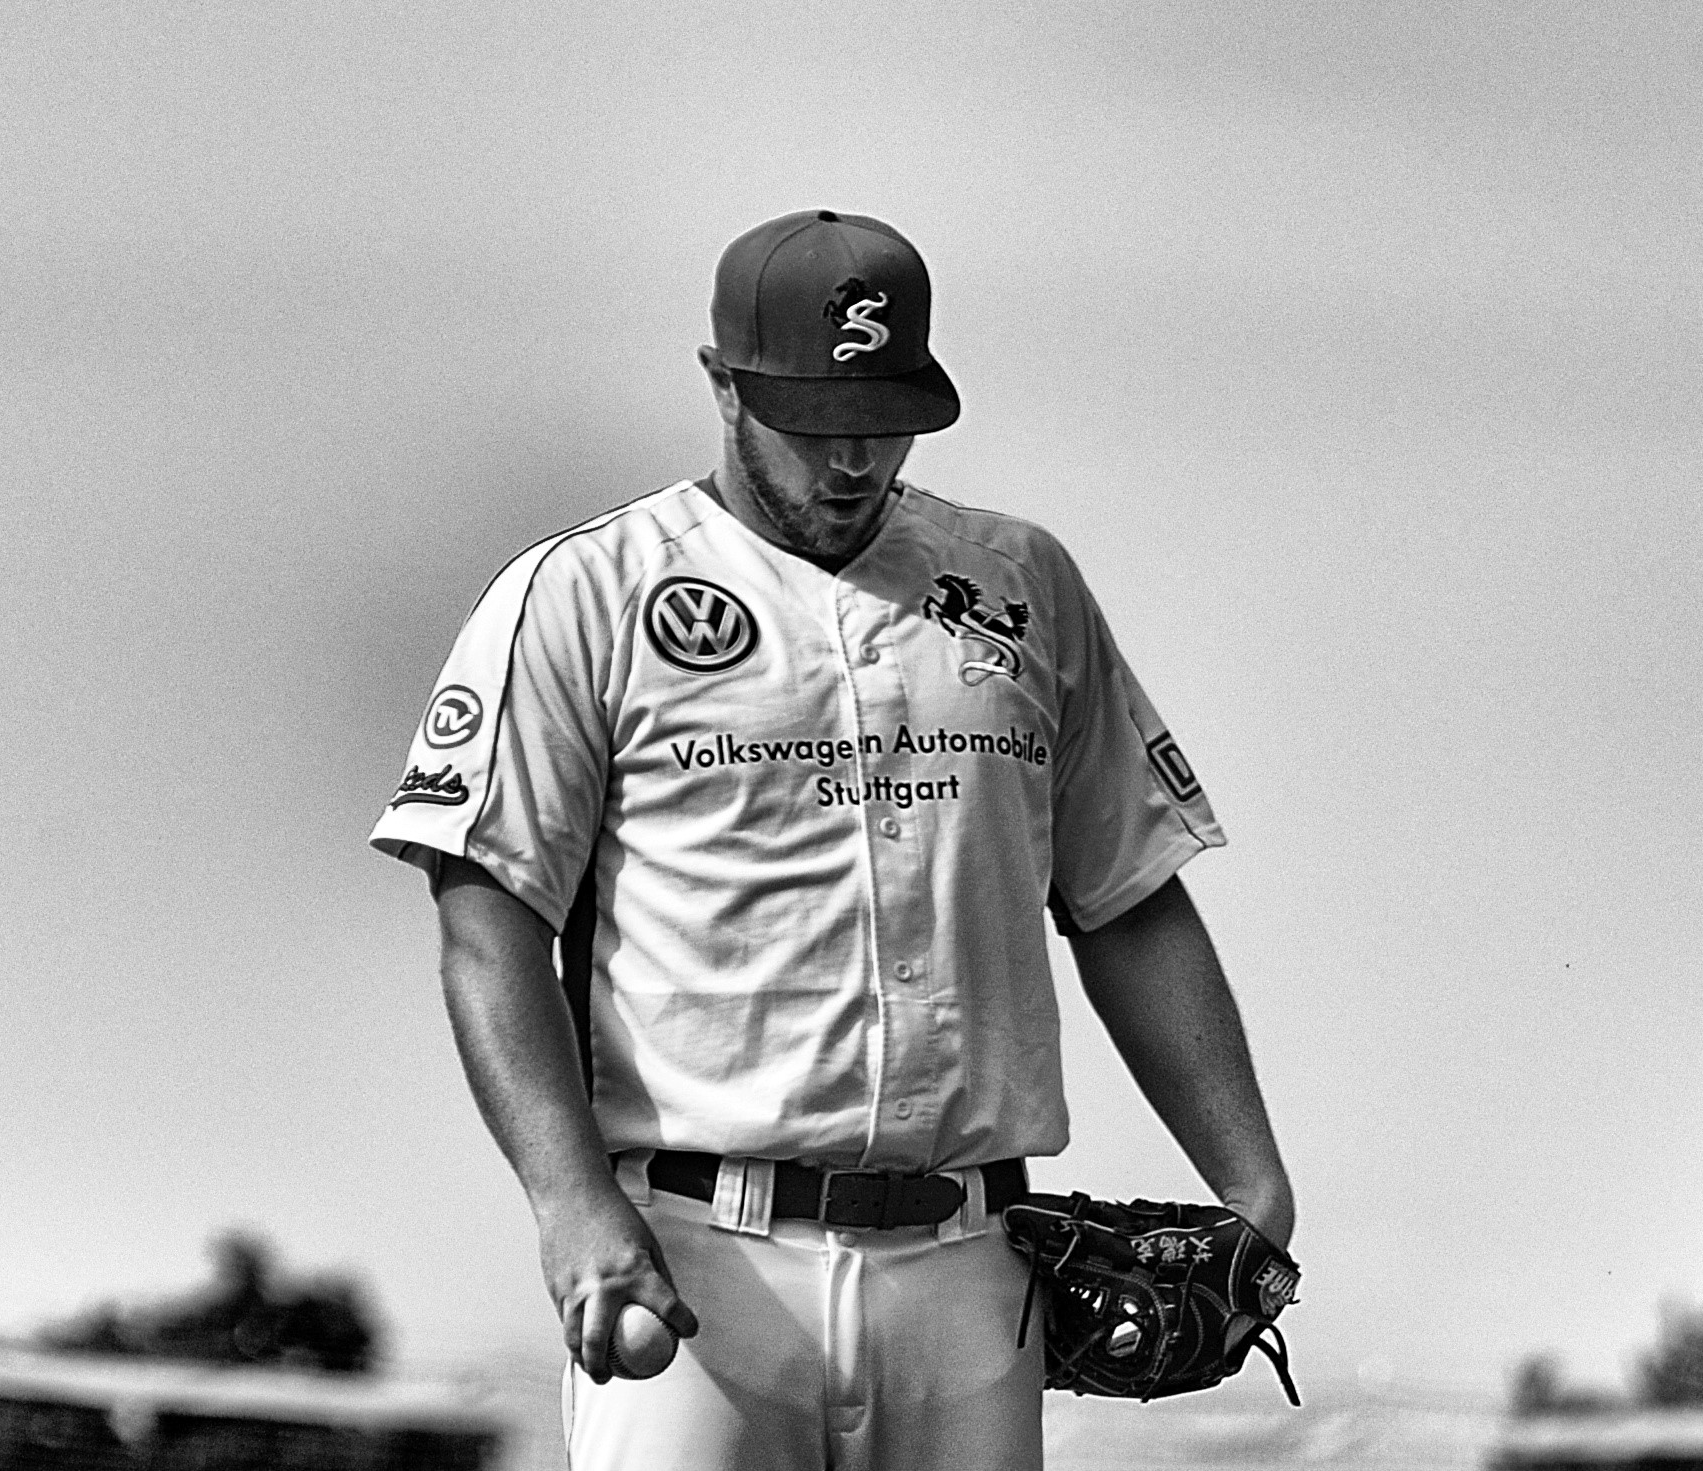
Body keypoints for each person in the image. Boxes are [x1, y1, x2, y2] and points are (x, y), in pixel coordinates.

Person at [369, 209, 1294, 1470]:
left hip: (974, 1268)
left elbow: (1127, 901)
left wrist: (1251, 1180)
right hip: (698, 1264)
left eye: (884, 415)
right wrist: (570, 1202)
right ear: (722, 385)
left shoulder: (1022, 585)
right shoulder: (586, 594)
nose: (851, 457)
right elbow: (487, 920)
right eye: (811, 421)